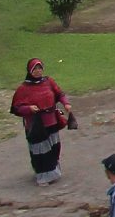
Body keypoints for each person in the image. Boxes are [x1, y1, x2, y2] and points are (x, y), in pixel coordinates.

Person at [10, 58, 72, 186]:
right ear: (30, 71)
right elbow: (16, 107)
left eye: (40, 68)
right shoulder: (23, 89)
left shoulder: (48, 82)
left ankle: (53, 172)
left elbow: (59, 93)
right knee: (41, 151)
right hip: (36, 125)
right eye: (35, 69)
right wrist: (29, 108)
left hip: (51, 121)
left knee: (54, 148)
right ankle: (43, 177)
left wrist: (66, 104)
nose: (38, 71)